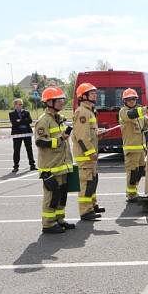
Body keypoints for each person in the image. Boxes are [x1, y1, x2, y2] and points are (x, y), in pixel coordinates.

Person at [34, 87, 75, 234]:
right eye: (59, 100)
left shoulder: (59, 118)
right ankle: (48, 224)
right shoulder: (43, 121)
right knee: (51, 196)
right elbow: (40, 142)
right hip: (50, 167)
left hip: (62, 165)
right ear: (49, 102)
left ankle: (59, 220)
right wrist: (58, 140)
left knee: (61, 194)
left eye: (63, 100)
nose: (62, 102)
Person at [71, 83, 105, 221]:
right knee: (86, 183)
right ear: (83, 96)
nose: (95, 95)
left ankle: (92, 205)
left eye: (95, 93)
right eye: (92, 93)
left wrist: (98, 134)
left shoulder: (90, 111)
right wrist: (90, 152)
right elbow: (81, 136)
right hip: (85, 156)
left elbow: (89, 134)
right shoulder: (82, 112)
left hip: (90, 156)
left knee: (93, 181)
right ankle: (85, 211)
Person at [118, 88, 148, 202]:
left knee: (140, 171)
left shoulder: (139, 112)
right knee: (132, 172)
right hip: (131, 148)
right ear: (124, 101)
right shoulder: (124, 112)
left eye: (133, 99)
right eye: (129, 99)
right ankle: (130, 195)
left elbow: (147, 123)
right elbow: (132, 114)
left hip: (141, 148)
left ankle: (134, 191)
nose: (131, 101)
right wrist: (147, 109)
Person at [8, 98, 36, 172]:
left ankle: (32, 165)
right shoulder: (11, 114)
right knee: (16, 150)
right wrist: (23, 121)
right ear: (15, 105)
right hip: (17, 134)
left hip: (27, 133)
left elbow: (30, 121)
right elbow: (14, 123)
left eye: (21, 104)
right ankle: (16, 166)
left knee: (29, 149)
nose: (21, 106)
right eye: (19, 104)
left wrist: (20, 120)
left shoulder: (26, 112)